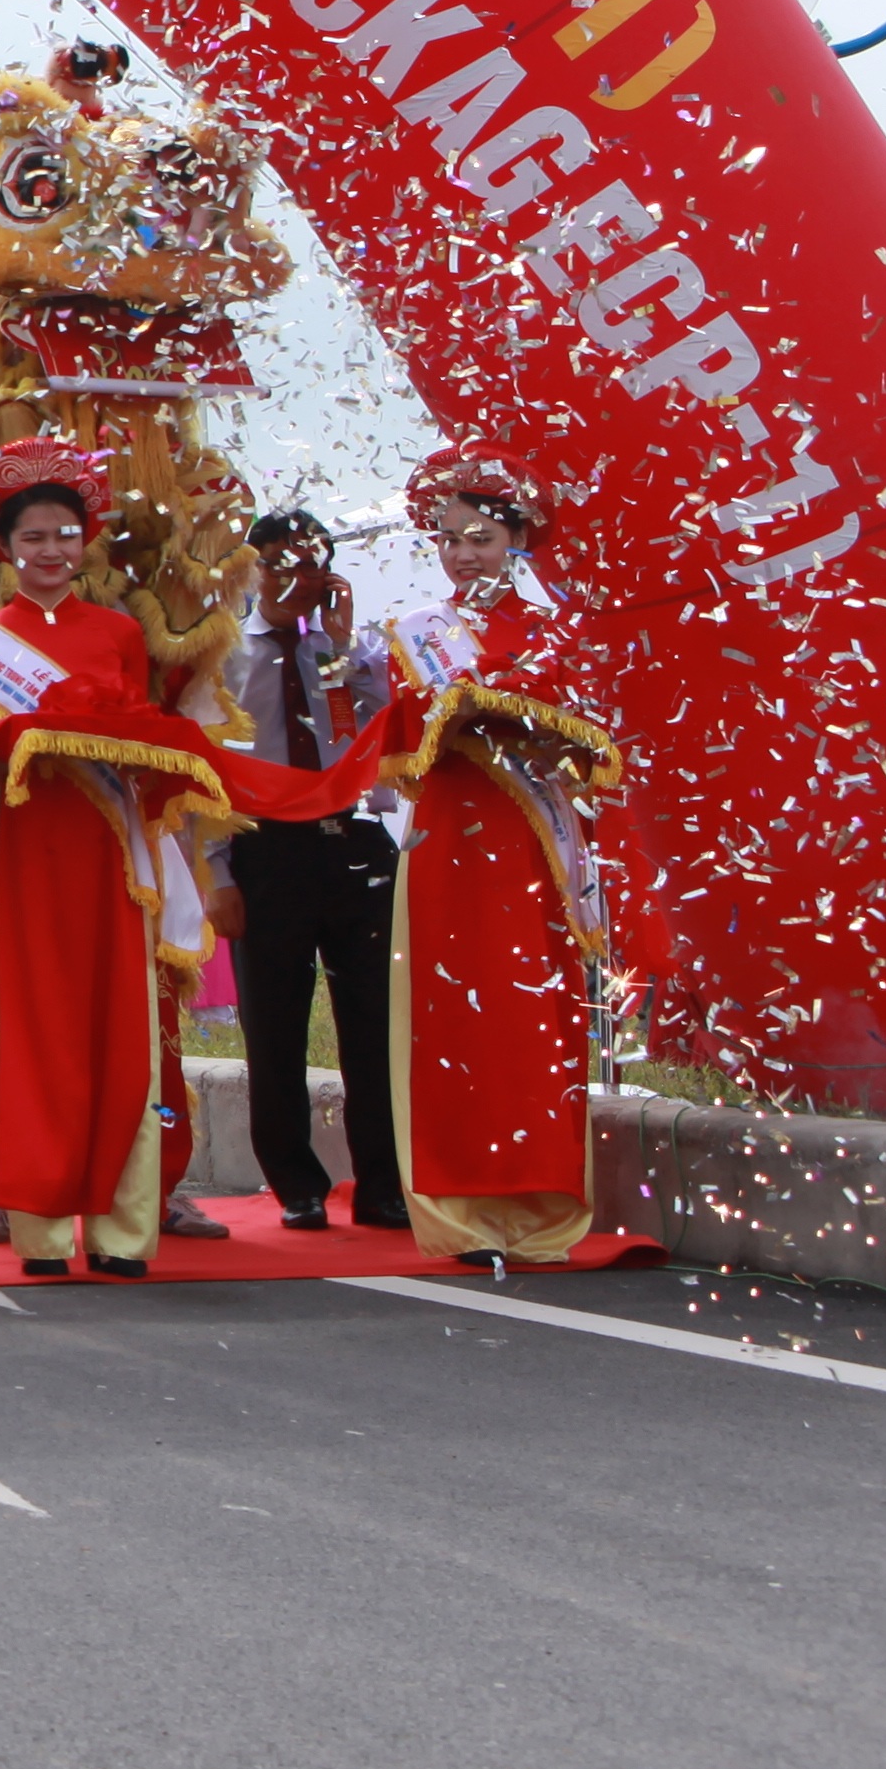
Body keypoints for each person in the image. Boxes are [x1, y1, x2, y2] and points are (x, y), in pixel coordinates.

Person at [0, 440, 180, 1278]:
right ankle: (38, 1227)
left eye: (65, 535)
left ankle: (121, 1231)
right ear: (6, 548)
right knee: (36, 1027)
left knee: (119, 1024)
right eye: (33, 537)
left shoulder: (117, 633)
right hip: (30, 840)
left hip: (109, 844)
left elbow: (149, 736)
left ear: (86, 542)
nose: (51, 551)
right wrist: (27, 744)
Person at [389, 457, 630, 1271]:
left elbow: (594, 747)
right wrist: (457, 717)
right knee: (456, 1017)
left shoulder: (556, 633)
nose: (464, 556)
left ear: (517, 540)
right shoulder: (419, 634)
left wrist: (539, 726)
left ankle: (540, 1200)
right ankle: (460, 1207)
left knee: (532, 1019)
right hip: (448, 848)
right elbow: (402, 749)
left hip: (530, 849)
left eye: (481, 539)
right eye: (451, 540)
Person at [220, 507, 404, 1232]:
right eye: (279, 566)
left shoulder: (341, 649)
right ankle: (295, 1181)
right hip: (268, 847)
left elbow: (389, 725)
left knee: (374, 1026)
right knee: (274, 1026)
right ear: (254, 569)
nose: (295, 582)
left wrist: (344, 643)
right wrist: (217, 873)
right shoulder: (228, 651)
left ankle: (383, 1182)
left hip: (354, 841)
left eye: (310, 566)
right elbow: (208, 766)